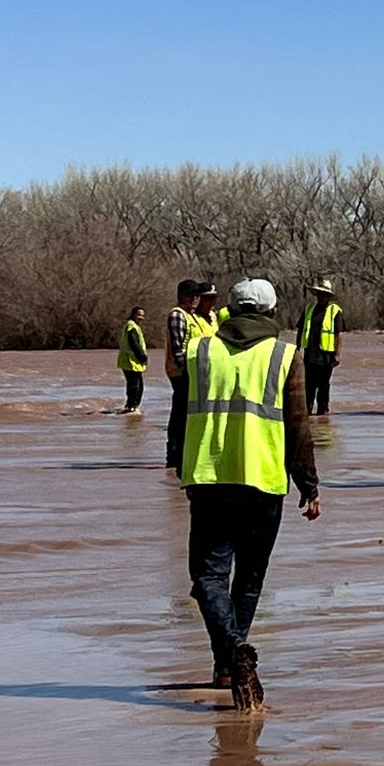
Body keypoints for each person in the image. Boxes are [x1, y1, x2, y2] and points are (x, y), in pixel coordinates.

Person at [180, 278, 319, 711]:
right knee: (249, 579)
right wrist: (309, 486)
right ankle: (233, 657)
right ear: (273, 312)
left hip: (208, 476)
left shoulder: (200, 350)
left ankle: (230, 658)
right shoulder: (284, 355)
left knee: (207, 577)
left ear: (229, 310)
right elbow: (298, 425)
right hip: (263, 481)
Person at [164, 276, 218, 476]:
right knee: (180, 416)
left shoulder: (197, 316)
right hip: (182, 373)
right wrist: (187, 371)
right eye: (191, 296)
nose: (195, 299)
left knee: (189, 416)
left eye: (197, 296)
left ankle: (187, 454)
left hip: (199, 373)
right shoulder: (178, 315)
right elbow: (179, 348)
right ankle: (174, 456)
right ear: (182, 296)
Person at [297, 280, 342, 416]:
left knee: (324, 384)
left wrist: (337, 355)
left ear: (328, 297)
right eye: (320, 294)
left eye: (324, 295)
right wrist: (297, 349)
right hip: (310, 353)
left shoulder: (335, 311)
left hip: (326, 355)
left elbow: (338, 335)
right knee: (309, 384)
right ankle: (308, 410)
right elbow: (300, 330)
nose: (321, 297)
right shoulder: (309, 309)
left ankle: (323, 410)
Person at [117, 307, 148, 414]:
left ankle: (133, 406)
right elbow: (134, 343)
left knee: (138, 385)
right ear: (133, 314)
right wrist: (142, 356)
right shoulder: (131, 327)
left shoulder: (134, 326)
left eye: (143, 316)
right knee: (134, 385)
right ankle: (131, 406)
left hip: (133, 361)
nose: (141, 318)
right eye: (139, 315)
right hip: (129, 360)